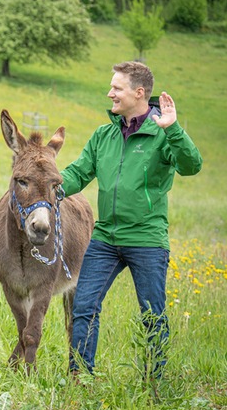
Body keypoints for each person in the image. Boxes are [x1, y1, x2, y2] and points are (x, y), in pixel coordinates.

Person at [60, 61, 202, 378]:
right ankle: (80, 377)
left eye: (116, 88)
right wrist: (51, 189)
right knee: (83, 307)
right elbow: (78, 173)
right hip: (106, 239)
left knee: (152, 314)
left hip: (147, 240)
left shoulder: (163, 133)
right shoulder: (104, 135)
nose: (109, 93)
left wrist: (174, 129)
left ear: (139, 93)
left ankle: (154, 382)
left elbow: (192, 166)